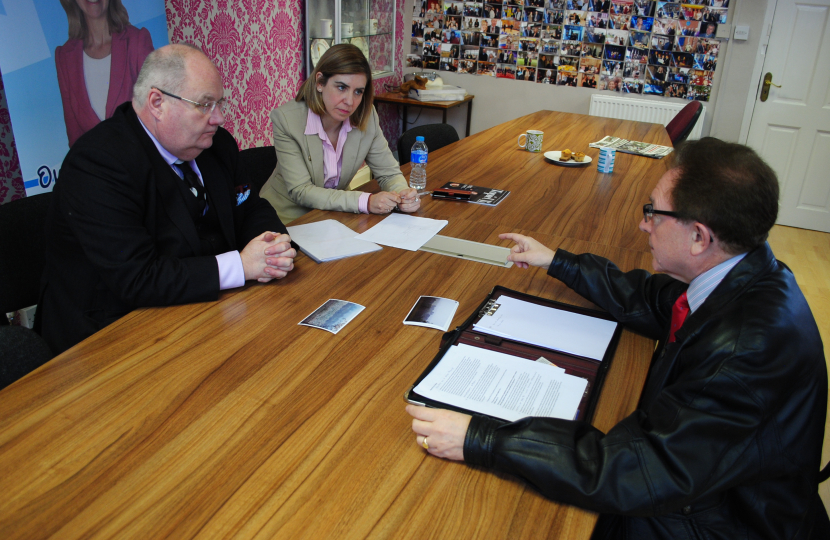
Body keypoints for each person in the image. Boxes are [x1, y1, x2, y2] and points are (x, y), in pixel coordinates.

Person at [406, 138, 828, 539]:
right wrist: (556, 261)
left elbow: (634, 470)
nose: (643, 224)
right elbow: (649, 299)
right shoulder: (745, 274)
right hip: (711, 489)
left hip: (718, 523)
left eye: (654, 213)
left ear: (699, 237)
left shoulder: (745, 350)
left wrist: (481, 438)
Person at [39, 44, 296, 355]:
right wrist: (241, 266)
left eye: (220, 103)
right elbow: (137, 277)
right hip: (110, 335)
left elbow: (249, 205)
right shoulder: (97, 164)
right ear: (157, 103)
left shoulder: (216, 145)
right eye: (205, 105)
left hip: (207, 310)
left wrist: (272, 247)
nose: (218, 118)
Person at [259, 44, 419, 224]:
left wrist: (403, 194)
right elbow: (301, 191)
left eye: (358, 92)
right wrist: (366, 201)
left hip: (336, 214)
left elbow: (388, 173)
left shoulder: (367, 116)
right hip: (287, 219)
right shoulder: (287, 120)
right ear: (320, 83)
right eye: (342, 87)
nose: (350, 101)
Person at [56, 0, 154, 147]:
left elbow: (156, 115)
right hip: (95, 161)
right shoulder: (64, 57)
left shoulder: (137, 40)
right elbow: (76, 141)